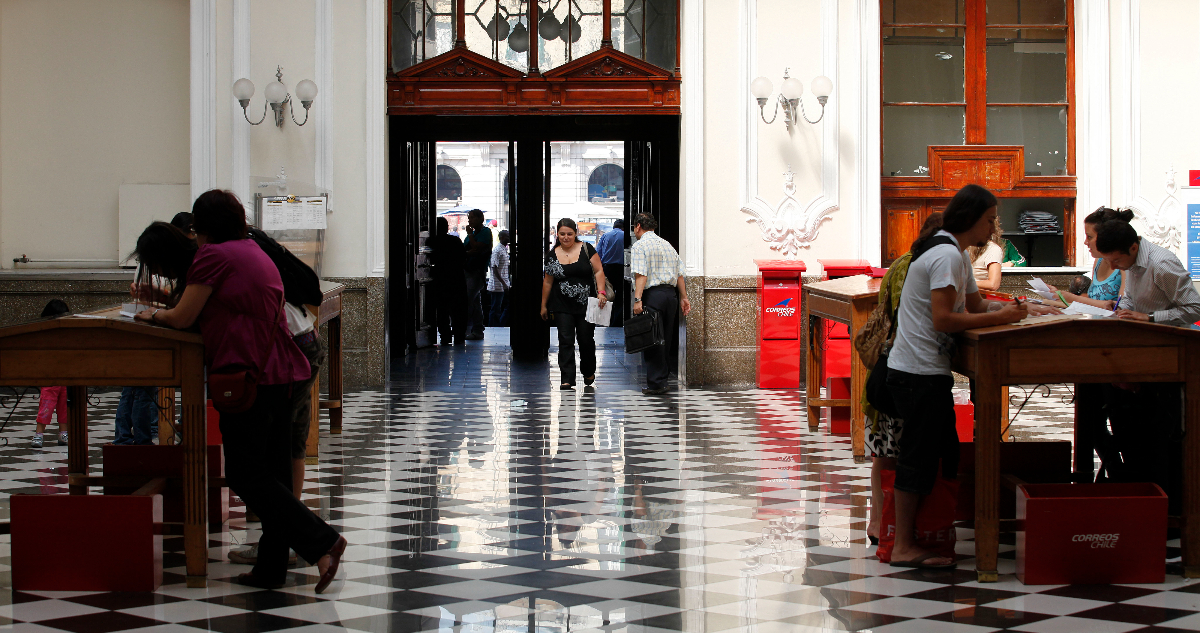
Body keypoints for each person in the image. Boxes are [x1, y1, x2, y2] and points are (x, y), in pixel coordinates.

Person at [133, 190, 345, 593]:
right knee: (276, 474)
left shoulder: (214, 255)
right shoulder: (250, 248)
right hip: (281, 369)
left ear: (202, 226)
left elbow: (183, 317)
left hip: (252, 374)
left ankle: (323, 541)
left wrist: (153, 313)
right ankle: (271, 567)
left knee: (247, 475)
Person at [885, 184, 1030, 569]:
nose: (993, 226)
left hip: (925, 371)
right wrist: (999, 318)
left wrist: (1016, 312)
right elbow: (943, 318)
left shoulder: (958, 253)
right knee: (917, 457)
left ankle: (930, 532)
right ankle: (903, 545)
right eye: (989, 219)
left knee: (941, 453)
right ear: (971, 218)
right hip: (917, 372)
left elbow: (976, 303)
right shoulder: (947, 254)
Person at [227, 225, 327, 566]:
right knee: (290, 446)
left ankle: (293, 537)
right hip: (305, 338)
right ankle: (290, 538)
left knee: (274, 453)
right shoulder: (261, 247)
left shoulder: (229, 256)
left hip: (287, 350)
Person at [1094, 219, 1200, 513]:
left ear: (1133, 247)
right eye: (1108, 261)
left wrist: (1150, 319)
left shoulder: (1162, 265)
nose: (1114, 266)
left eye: (1117, 260)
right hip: (1139, 356)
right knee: (1117, 418)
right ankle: (1134, 485)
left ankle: (1170, 503)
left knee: (1160, 438)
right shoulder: (1131, 265)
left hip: (1169, 359)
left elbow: (1194, 308)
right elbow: (1130, 301)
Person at [864, 214, 944, 545]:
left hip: (884, 369)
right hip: (904, 368)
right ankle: (893, 528)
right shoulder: (924, 267)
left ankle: (878, 522)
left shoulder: (901, 263)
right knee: (896, 451)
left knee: (882, 449)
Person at [540, 218, 608, 389]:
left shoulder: (586, 249)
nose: (566, 237)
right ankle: (567, 378)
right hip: (562, 305)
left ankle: (588, 371)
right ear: (557, 234)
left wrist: (601, 292)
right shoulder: (552, 255)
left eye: (569, 234)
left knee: (585, 339)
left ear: (575, 233)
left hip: (587, 305)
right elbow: (547, 282)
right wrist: (544, 305)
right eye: (562, 234)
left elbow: (599, 271)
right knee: (565, 340)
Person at [630, 213, 691, 395]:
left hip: (653, 295)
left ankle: (656, 383)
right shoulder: (667, 245)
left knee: (653, 339)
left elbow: (641, 274)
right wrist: (684, 297)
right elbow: (680, 273)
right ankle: (662, 380)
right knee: (666, 337)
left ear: (638, 226)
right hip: (670, 296)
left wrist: (637, 299)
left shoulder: (640, 246)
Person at [1048, 207, 1130, 310]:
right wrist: (1059, 295)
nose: (1086, 242)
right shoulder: (1099, 260)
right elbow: (1092, 299)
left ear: (1105, 237)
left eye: (1090, 237)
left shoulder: (1124, 264)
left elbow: (1122, 306)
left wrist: (1073, 298)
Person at [32, 300, 71, 448]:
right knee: (46, 404)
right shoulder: (45, 334)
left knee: (64, 406)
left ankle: (63, 432)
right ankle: (39, 433)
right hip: (51, 376)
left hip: (64, 376)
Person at [427, 217, 468, 346]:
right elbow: (463, 258)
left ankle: (445, 336)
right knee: (457, 309)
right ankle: (459, 335)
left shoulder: (431, 241)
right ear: (447, 227)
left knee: (441, 309)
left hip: (439, 279)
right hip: (456, 278)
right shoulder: (455, 241)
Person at [462, 209, 493, 340]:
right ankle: (478, 329)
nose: (470, 221)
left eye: (472, 218)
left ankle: (465, 329)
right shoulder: (475, 233)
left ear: (481, 219)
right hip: (468, 270)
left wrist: (470, 235)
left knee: (468, 301)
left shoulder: (485, 232)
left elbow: (476, 248)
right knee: (475, 302)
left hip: (477, 271)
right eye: (469, 218)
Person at [597, 219, 626, 326]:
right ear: (623, 227)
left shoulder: (605, 236)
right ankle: (616, 321)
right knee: (620, 296)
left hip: (607, 269)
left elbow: (598, 253)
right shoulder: (625, 236)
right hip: (622, 269)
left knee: (608, 295)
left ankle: (606, 320)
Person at [967, 220, 1006, 291]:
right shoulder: (962, 247)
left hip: (980, 295)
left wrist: (964, 284)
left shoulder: (993, 249)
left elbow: (993, 284)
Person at [488, 230, 511, 326]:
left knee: (500, 307)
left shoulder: (503, 249)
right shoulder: (497, 250)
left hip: (503, 284)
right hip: (497, 285)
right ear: (501, 237)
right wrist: (503, 283)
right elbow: (494, 267)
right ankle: (495, 327)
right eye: (507, 236)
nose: (509, 238)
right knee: (495, 308)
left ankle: (499, 325)